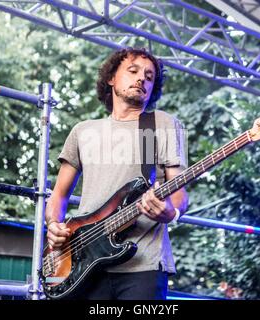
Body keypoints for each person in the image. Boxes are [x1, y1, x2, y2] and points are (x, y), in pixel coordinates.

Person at [45, 47, 188, 300]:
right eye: (133, 71)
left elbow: (178, 195)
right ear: (111, 78)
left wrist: (171, 213)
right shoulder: (83, 131)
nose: (142, 78)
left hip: (142, 264)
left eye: (149, 76)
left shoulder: (161, 124)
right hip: (83, 262)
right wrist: (53, 225)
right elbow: (59, 196)